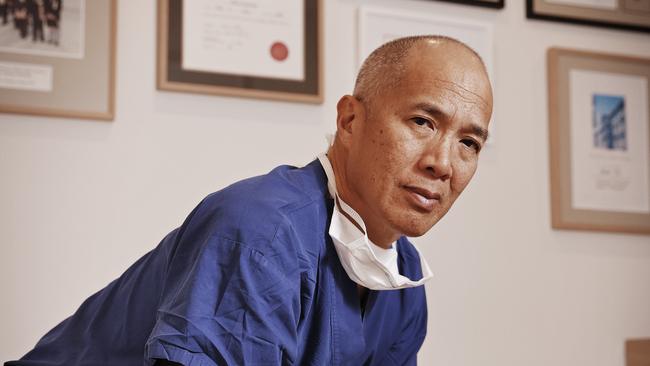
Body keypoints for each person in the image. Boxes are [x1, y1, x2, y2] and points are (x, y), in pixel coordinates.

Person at [5, 35, 493, 366]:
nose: (443, 163)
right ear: (349, 121)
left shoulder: (401, 282)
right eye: (422, 122)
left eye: (469, 143)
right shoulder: (261, 232)